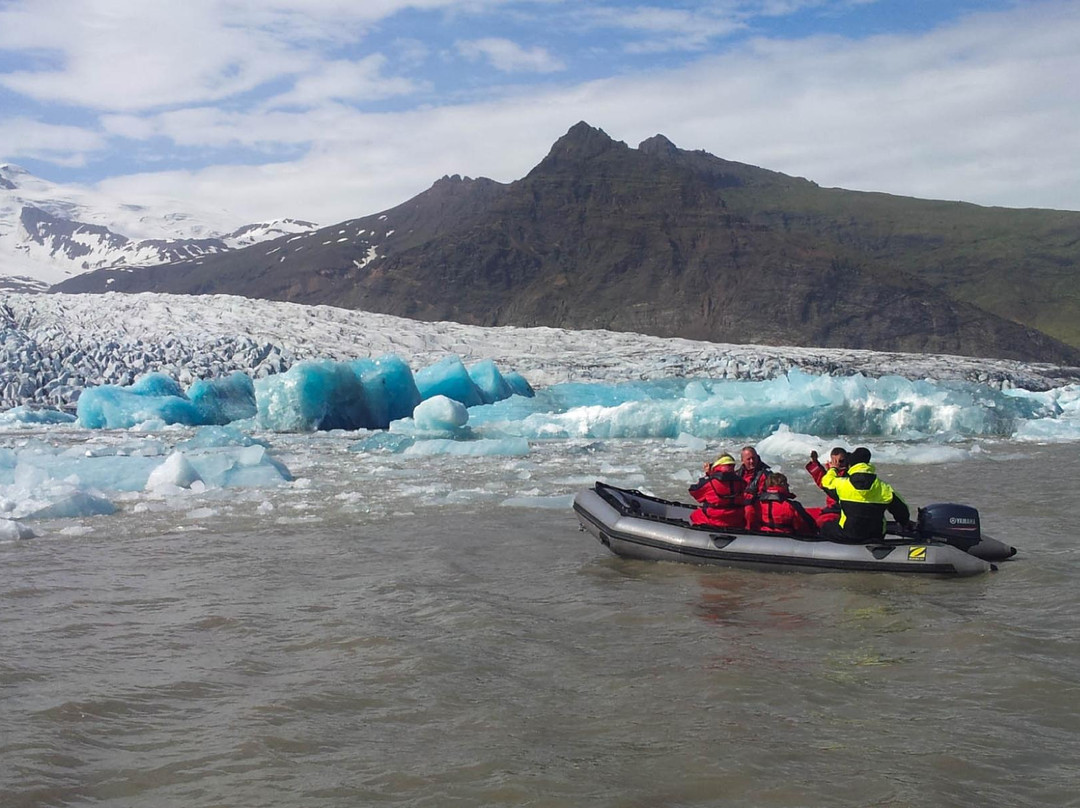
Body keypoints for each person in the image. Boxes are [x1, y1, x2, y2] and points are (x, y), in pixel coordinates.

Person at [818, 447, 911, 542]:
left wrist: (833, 469)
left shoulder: (843, 485)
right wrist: (904, 524)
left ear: (851, 465)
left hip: (848, 534)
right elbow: (903, 512)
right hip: (876, 535)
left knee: (825, 526)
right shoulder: (884, 488)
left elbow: (826, 482)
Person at [688, 453, 747, 529]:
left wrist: (708, 475)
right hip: (736, 520)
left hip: (715, 520)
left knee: (695, 515)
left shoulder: (710, 482)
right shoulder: (741, 482)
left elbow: (694, 491)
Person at [755, 473, 818, 537]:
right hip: (785, 538)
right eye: (786, 484)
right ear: (783, 485)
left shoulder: (758, 504)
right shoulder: (790, 506)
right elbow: (803, 526)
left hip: (763, 536)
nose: (788, 485)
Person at [804, 446, 848, 528]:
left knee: (821, 522)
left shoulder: (849, 474)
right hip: (830, 507)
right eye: (834, 461)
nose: (838, 464)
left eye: (841, 461)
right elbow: (822, 481)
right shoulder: (830, 474)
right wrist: (815, 462)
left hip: (840, 509)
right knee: (802, 513)